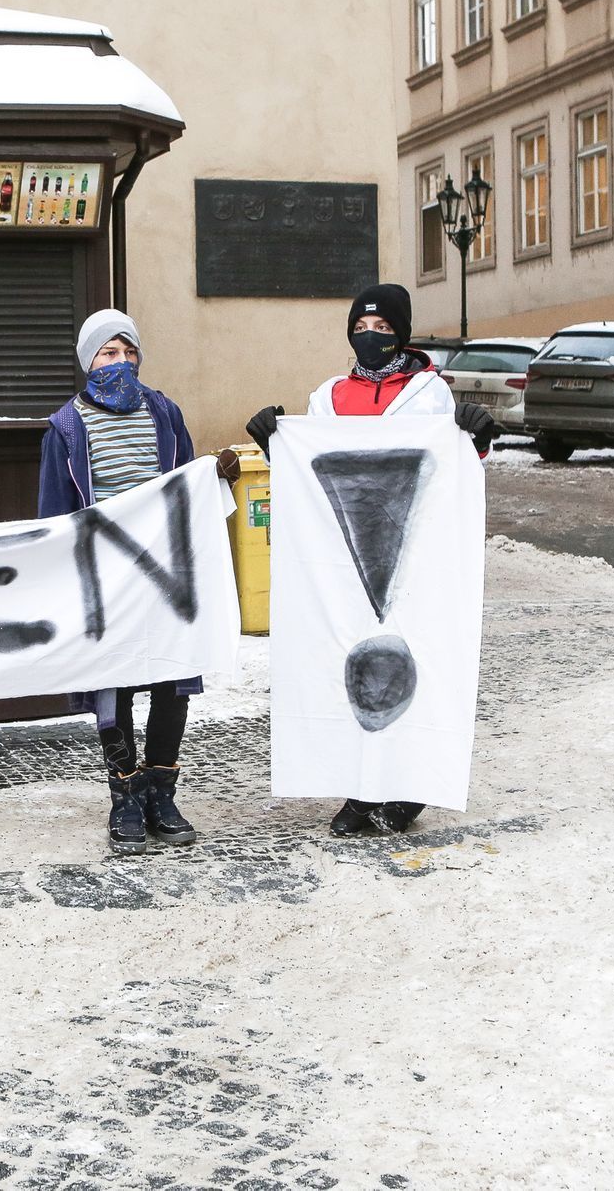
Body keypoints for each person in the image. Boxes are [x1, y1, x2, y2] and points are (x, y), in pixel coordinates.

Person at [244, 282, 495, 837]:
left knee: (414, 657)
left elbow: (452, 467)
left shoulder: (429, 393)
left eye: (383, 329)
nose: (371, 336)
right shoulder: (328, 395)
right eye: (362, 327)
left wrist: (477, 439)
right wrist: (275, 443)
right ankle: (360, 786)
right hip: (342, 550)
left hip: (412, 551)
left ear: (402, 334)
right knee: (346, 659)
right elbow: (312, 471)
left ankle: (407, 787)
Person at [38, 308, 239, 854]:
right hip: (107, 580)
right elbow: (55, 515)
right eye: (109, 353)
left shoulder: (164, 412)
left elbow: (185, 483)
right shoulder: (65, 427)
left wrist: (213, 474)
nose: (121, 363)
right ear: (87, 360)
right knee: (116, 684)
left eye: (129, 352)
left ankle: (162, 790)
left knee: (173, 680)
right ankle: (124, 794)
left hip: (164, 574)